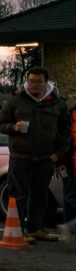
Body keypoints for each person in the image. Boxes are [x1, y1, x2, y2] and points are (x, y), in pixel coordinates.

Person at [0, 67, 72, 243]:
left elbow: (66, 131)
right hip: (20, 157)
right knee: (18, 194)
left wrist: (58, 154)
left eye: (38, 82)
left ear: (46, 83)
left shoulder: (58, 103)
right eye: (31, 81)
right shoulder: (16, 101)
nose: (34, 85)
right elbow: (0, 124)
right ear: (26, 82)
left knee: (40, 194)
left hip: (46, 158)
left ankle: (35, 229)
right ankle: (17, 231)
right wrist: (13, 127)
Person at [60, 103, 76, 250]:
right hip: (70, 164)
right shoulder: (70, 115)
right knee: (70, 198)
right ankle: (70, 228)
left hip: (69, 163)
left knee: (70, 198)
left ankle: (70, 228)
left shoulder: (70, 113)